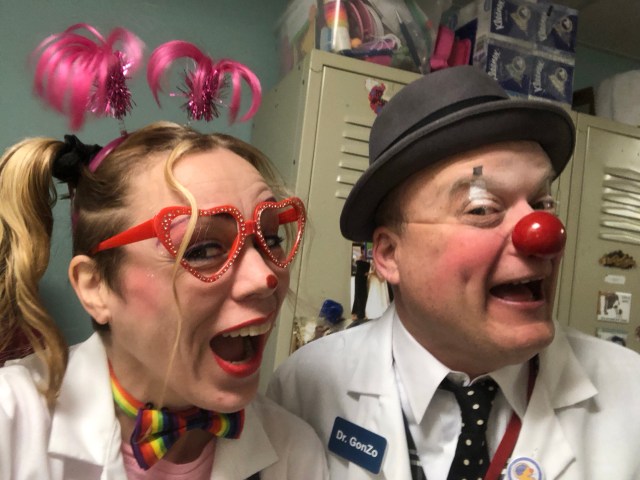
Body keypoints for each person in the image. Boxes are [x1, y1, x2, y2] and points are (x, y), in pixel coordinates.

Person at [267, 65, 640, 479]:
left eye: (541, 204)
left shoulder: (632, 393)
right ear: (389, 254)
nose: (542, 234)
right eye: (482, 209)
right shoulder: (303, 389)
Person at [0, 24, 328, 480]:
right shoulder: (10, 420)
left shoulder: (297, 451)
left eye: (270, 239)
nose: (266, 278)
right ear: (95, 287)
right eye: (204, 247)